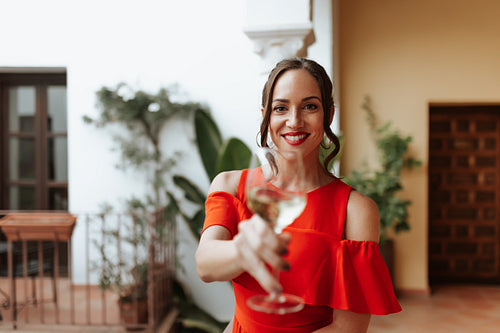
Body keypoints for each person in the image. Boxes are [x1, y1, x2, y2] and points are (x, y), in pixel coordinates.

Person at [195, 57, 401, 332]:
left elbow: (348, 329)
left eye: (309, 106)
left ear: (328, 115)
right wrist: (242, 251)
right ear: (266, 116)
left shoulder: (356, 211)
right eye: (281, 108)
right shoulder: (231, 185)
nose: (294, 120)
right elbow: (205, 265)